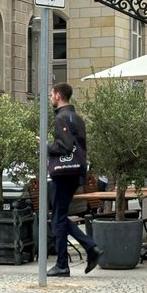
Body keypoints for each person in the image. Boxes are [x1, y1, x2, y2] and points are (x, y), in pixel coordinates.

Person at [46, 82, 102, 277]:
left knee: (57, 218)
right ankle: (88, 247)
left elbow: (64, 146)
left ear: (58, 95)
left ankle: (64, 264)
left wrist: (46, 146)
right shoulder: (77, 118)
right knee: (58, 217)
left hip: (63, 173)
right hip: (75, 172)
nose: (50, 98)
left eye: (51, 94)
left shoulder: (61, 117)